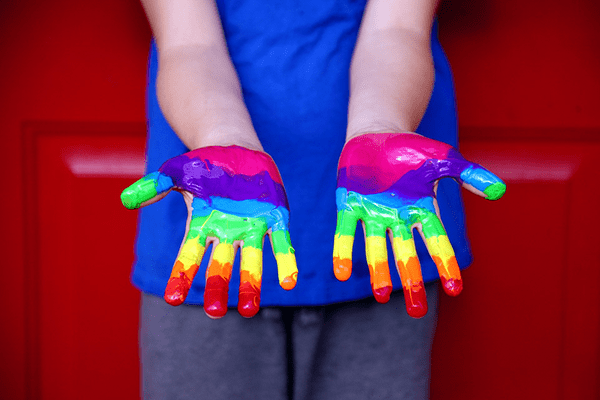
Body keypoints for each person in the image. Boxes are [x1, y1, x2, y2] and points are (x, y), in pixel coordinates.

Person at [121, 0, 505, 398]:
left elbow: (398, 30)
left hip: (385, 227)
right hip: (212, 234)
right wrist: (224, 143)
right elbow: (189, 44)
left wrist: (379, 130)